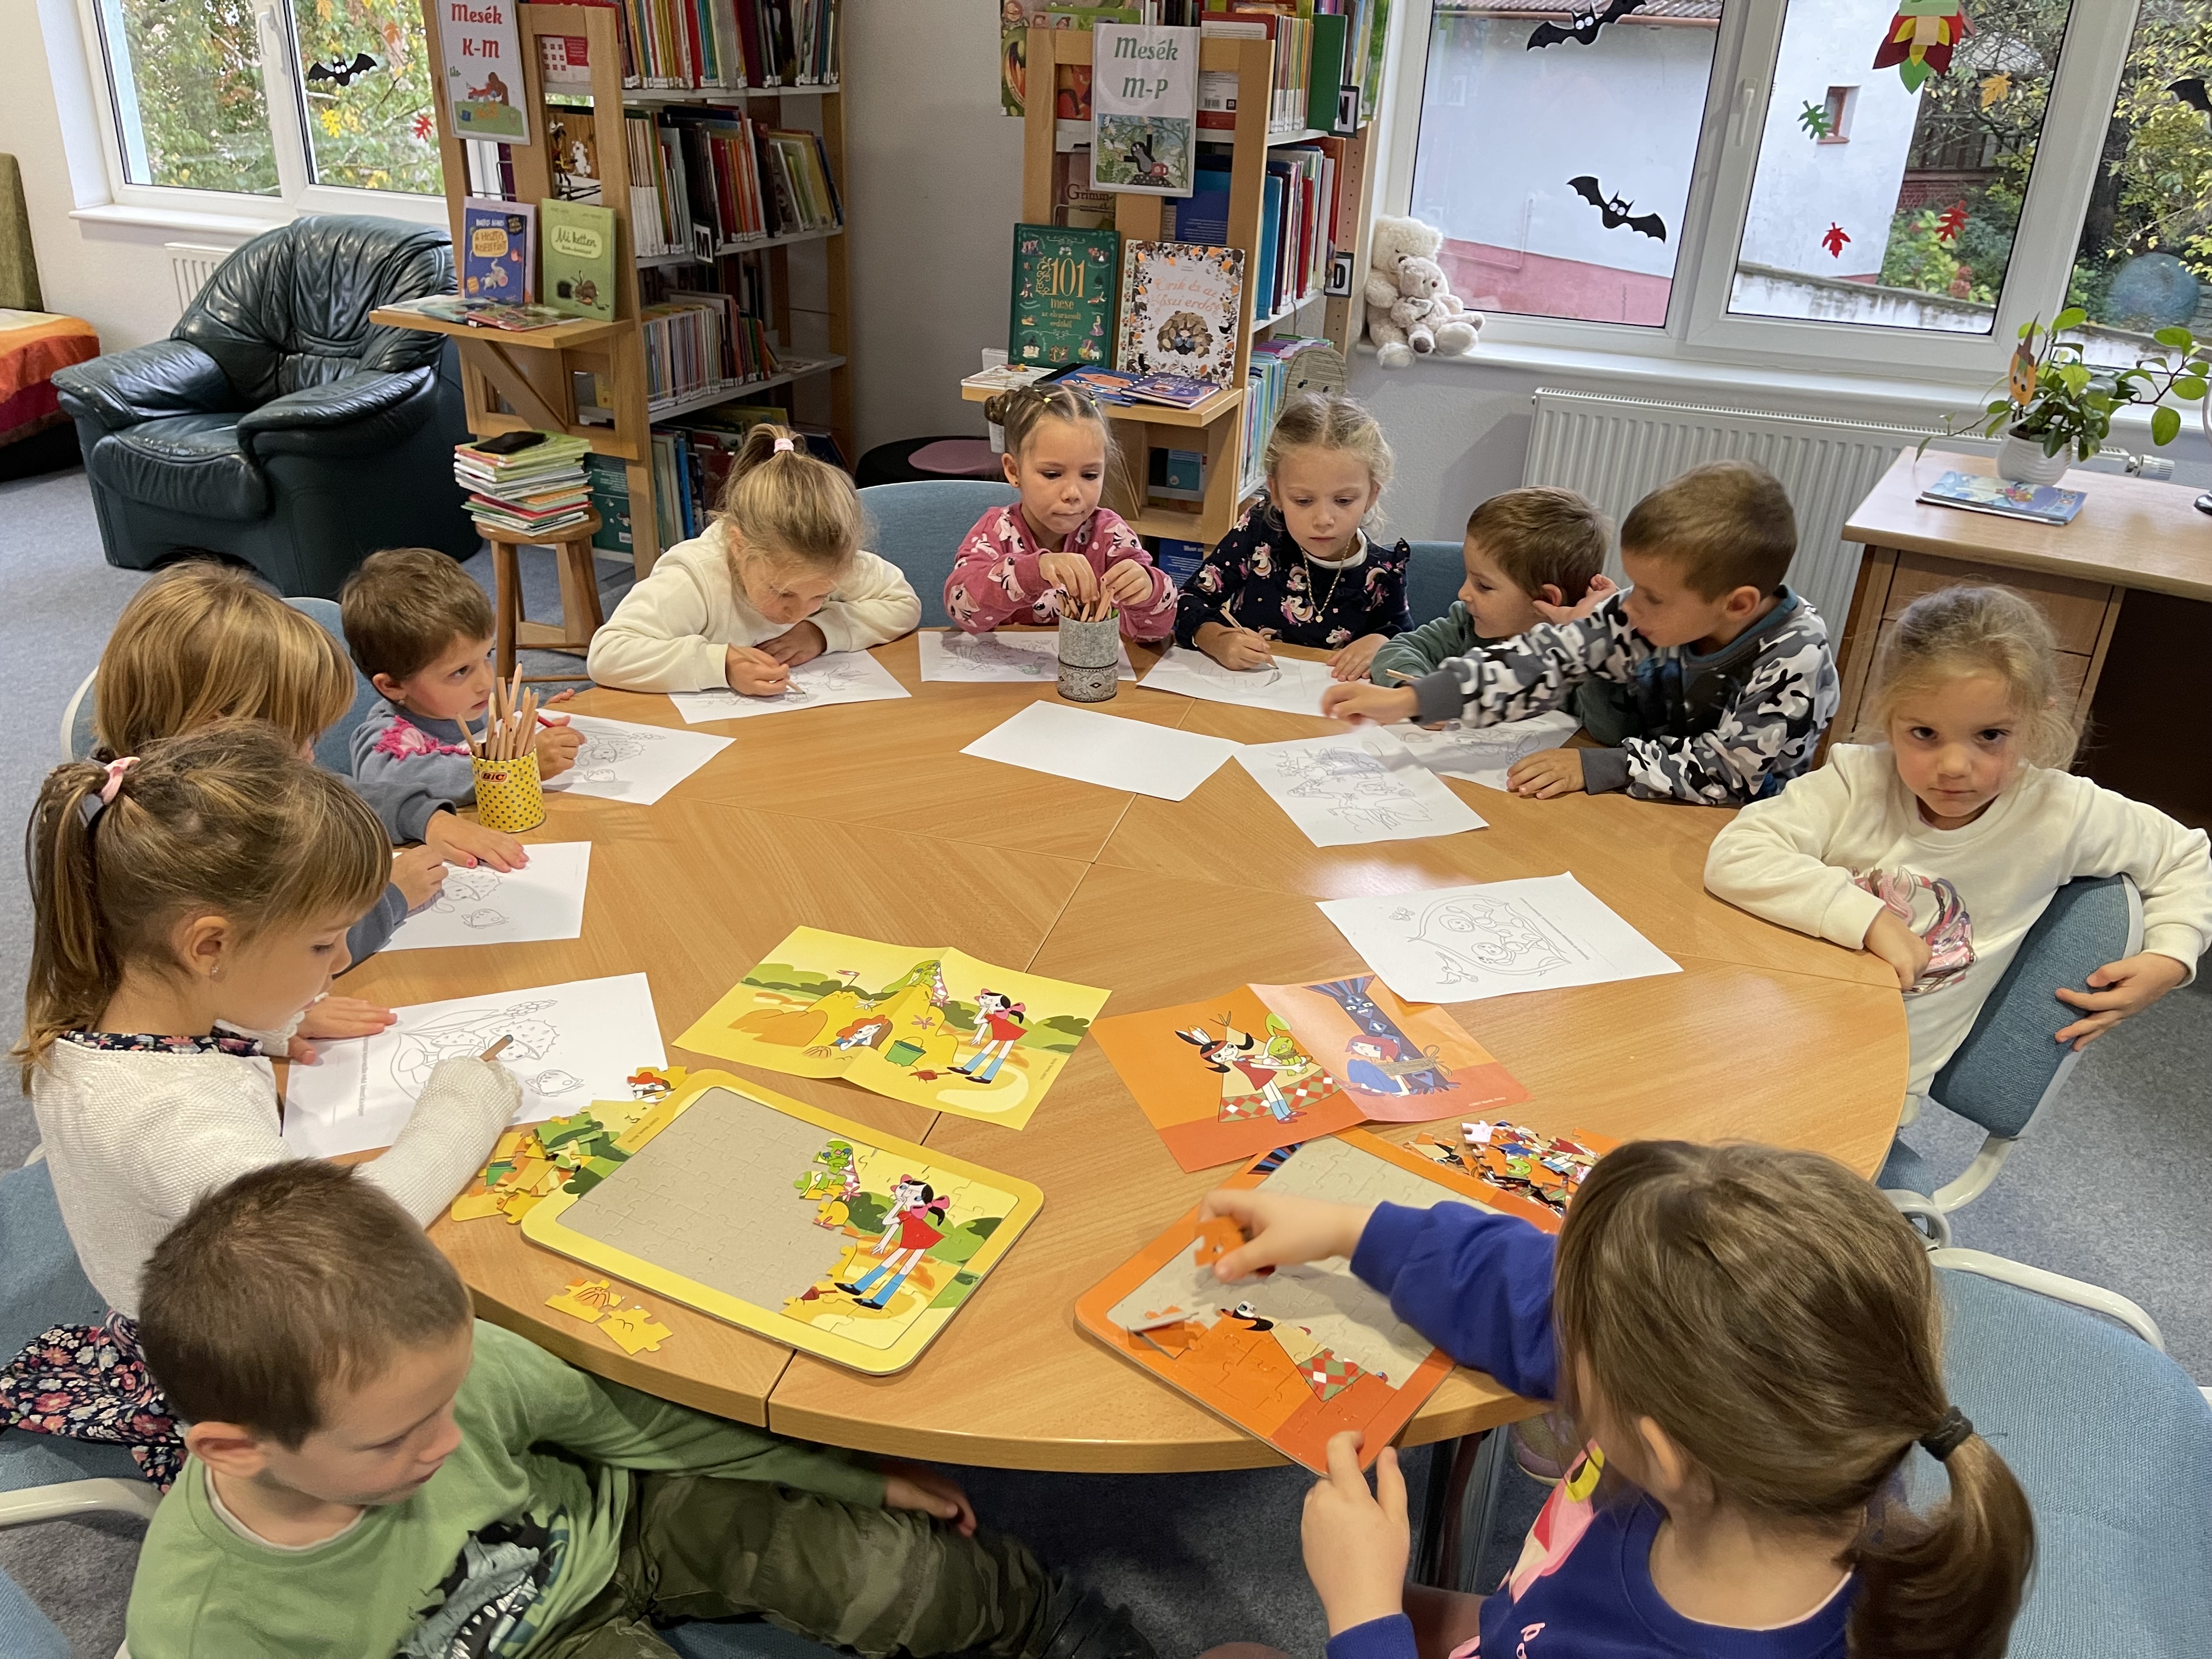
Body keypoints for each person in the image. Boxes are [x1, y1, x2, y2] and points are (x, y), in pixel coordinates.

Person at [127, 1159, 1155, 1659]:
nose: (447, 1440)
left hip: (627, 1520)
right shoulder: (204, 1622)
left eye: (448, 1401)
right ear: (234, 1449)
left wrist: (852, 1477)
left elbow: (637, 1426)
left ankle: (1052, 1627)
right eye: (399, 1438)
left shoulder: (433, 1375)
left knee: (909, 1575)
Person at [1201, 1139, 2034, 1659]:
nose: (1563, 1332)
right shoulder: (1820, 1431)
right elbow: (1542, 1292)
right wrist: (1355, 1232)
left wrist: (1364, 1615)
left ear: (1661, 1452)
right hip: (1533, 1618)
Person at [0, 723, 517, 1485]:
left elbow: (203, 1032)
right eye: (322, 945)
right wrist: (466, 1105)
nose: (343, 959)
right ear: (208, 947)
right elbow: (357, 1228)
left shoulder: (103, 992)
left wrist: (277, 1024)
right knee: (488, 1375)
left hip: (184, 1292)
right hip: (239, 1361)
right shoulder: (174, 1125)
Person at [1707, 584, 2212, 1099]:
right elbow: (1738, 852)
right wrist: (1867, 917)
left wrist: (2171, 958)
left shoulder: (2061, 813)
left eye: (1990, 736)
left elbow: (2186, 854)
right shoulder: (1857, 780)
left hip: (1873, 1088)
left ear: (2036, 722)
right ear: (1888, 717)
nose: (1952, 766)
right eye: (1924, 733)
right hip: (1767, 1033)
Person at [1322, 460, 1838, 805]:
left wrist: (1602, 767)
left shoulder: (1795, 655)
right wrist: (1412, 699)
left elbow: (1730, 775)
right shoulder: (1651, 611)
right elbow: (1537, 663)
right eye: (1635, 586)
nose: (1629, 606)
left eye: (1652, 596)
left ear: (1737, 604)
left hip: (1730, 826)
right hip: (1638, 803)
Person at [88, 558, 443, 1013]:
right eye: (301, 737)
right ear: (218, 730)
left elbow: (325, 792)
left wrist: (418, 814)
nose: (310, 756)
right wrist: (390, 899)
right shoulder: (177, 846)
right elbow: (277, 950)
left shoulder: (181, 791)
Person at [588, 423, 921, 697]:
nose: (798, 612)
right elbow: (609, 654)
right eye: (783, 593)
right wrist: (721, 663)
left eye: (820, 596)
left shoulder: (827, 560)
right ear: (739, 546)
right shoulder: (696, 576)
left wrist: (821, 632)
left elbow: (903, 603)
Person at [342, 545, 580, 873]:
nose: (485, 681)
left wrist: (532, 722)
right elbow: (386, 788)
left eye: (487, 655)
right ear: (393, 686)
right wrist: (513, 768)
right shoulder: (385, 741)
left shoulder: (463, 704)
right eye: (460, 671)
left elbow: (494, 731)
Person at [1175, 393, 1410, 682]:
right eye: (1303, 501)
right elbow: (1187, 600)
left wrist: (1382, 643)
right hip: (1245, 693)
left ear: (1372, 495)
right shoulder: (1260, 534)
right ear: (1275, 492)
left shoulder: (1383, 572)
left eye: (1344, 501)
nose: (1323, 519)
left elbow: (1405, 637)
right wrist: (1216, 639)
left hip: (1329, 703)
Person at [1368, 488, 1621, 736]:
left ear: (1545, 600)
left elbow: (1611, 731)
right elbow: (1397, 650)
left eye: (1484, 586)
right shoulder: (1467, 623)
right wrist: (1414, 692)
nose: (1463, 594)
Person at [945, 384, 1176, 640]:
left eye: (1090, 475)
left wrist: (1150, 591)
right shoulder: (997, 531)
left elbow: (1153, 634)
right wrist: (1032, 572)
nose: (1072, 493)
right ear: (1013, 470)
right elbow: (961, 609)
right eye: (1052, 474)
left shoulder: (1111, 534)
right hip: (1007, 665)